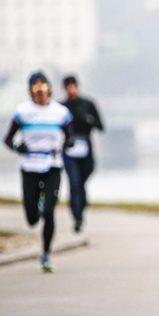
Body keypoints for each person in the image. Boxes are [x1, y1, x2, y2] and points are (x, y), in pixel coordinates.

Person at [3, 71, 73, 272]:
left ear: (49, 89)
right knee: (32, 218)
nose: (40, 91)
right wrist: (18, 148)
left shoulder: (60, 112)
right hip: (29, 166)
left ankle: (46, 254)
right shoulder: (22, 112)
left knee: (50, 212)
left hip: (52, 165)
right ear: (31, 91)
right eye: (36, 87)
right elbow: (8, 140)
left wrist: (67, 142)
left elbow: (70, 136)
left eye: (43, 86)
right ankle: (38, 206)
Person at [60, 75, 104, 233]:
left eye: (73, 86)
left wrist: (88, 120)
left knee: (81, 182)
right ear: (65, 89)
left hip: (86, 149)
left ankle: (81, 202)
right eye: (68, 87)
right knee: (74, 183)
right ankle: (77, 217)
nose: (71, 90)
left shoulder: (88, 104)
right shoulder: (61, 107)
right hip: (69, 149)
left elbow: (101, 126)